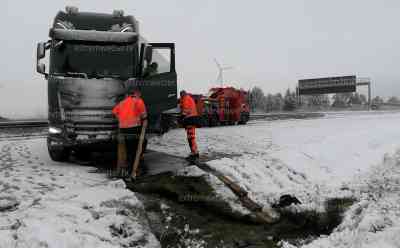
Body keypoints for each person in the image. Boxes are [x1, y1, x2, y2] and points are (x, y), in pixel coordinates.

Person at [112, 87, 148, 176]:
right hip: (134, 128)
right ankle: (134, 169)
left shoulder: (122, 103)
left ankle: (128, 168)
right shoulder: (138, 101)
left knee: (128, 149)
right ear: (136, 93)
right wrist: (144, 119)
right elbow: (144, 115)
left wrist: (121, 119)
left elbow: (114, 112)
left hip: (124, 129)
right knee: (137, 148)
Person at [179, 90, 200, 161]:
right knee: (191, 137)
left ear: (182, 95)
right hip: (191, 120)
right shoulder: (189, 98)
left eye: (180, 95)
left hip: (190, 120)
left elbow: (185, 109)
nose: (180, 97)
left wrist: (181, 116)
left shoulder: (186, 99)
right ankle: (194, 152)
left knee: (191, 138)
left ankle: (194, 153)